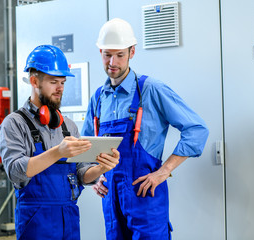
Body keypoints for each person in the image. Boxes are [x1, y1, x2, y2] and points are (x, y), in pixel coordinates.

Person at [81, 18, 209, 240]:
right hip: (111, 203)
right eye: (107, 54)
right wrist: (95, 177)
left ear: (132, 52)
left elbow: (197, 129)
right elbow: (87, 146)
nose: (112, 61)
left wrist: (164, 171)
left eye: (120, 54)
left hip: (145, 200)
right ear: (100, 52)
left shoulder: (151, 90)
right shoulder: (98, 98)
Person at [0, 45, 120, 240]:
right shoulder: (14, 123)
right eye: (53, 82)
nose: (60, 88)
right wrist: (58, 152)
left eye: (62, 82)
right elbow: (16, 171)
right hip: (36, 221)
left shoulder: (68, 126)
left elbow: (82, 174)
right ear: (34, 81)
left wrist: (102, 167)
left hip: (69, 218)